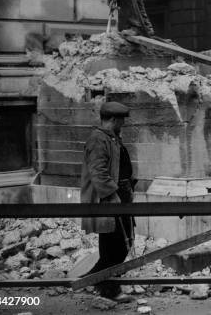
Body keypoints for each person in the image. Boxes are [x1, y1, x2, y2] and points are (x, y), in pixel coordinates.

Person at [81, 101, 136, 302]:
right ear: (113, 119)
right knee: (115, 247)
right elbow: (98, 173)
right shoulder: (98, 140)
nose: (123, 124)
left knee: (121, 244)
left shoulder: (110, 138)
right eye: (122, 120)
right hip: (110, 201)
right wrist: (114, 195)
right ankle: (108, 290)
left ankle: (91, 280)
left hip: (120, 199)